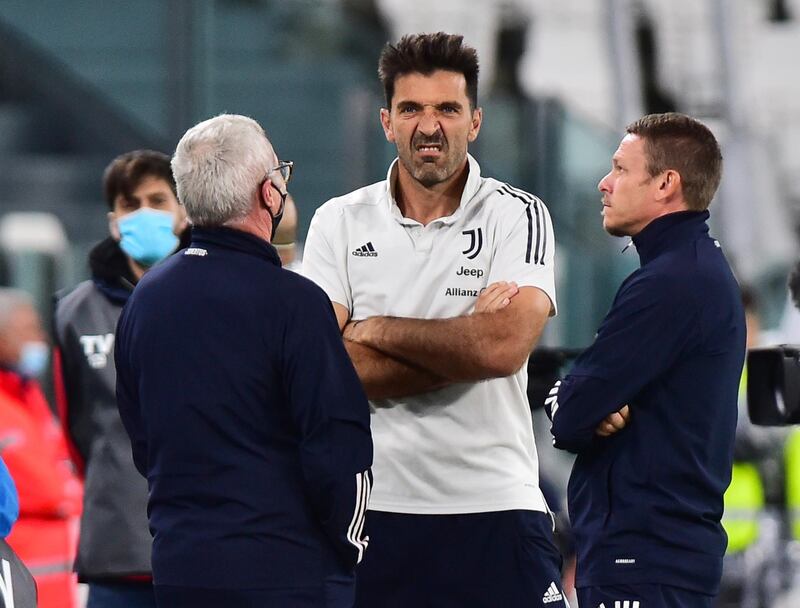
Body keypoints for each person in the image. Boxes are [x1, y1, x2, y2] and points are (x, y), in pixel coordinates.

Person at [303, 32, 565, 607]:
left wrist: (370, 330)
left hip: (497, 505)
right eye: (411, 109)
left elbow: (502, 350)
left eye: (447, 108)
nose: (429, 125)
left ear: (474, 122)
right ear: (386, 121)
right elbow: (320, 368)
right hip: (376, 512)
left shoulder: (518, 215)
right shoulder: (338, 222)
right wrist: (464, 341)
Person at [114, 114, 374, 608]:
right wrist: (349, 548)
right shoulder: (294, 303)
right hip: (287, 573)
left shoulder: (144, 299)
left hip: (180, 569)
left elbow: (143, 441)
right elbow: (338, 442)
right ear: (269, 194)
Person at [545, 113, 746, 608]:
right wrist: (588, 403)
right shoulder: (691, 271)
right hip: (655, 561)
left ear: (665, 184)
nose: (604, 183)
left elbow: (570, 416)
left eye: (619, 169)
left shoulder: (671, 284)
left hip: (643, 562)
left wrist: (569, 399)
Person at [53, 150, 188, 608]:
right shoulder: (74, 313)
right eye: (131, 204)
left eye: (158, 199)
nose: (145, 213)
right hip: (115, 549)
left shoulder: (214, 294)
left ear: (184, 210)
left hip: (201, 544)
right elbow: (72, 425)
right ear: (114, 220)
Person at [0, 289, 82, 607]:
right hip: (23, 569)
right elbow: (49, 489)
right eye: (27, 330)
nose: (39, 340)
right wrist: (73, 495)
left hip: (48, 583)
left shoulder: (28, 395)